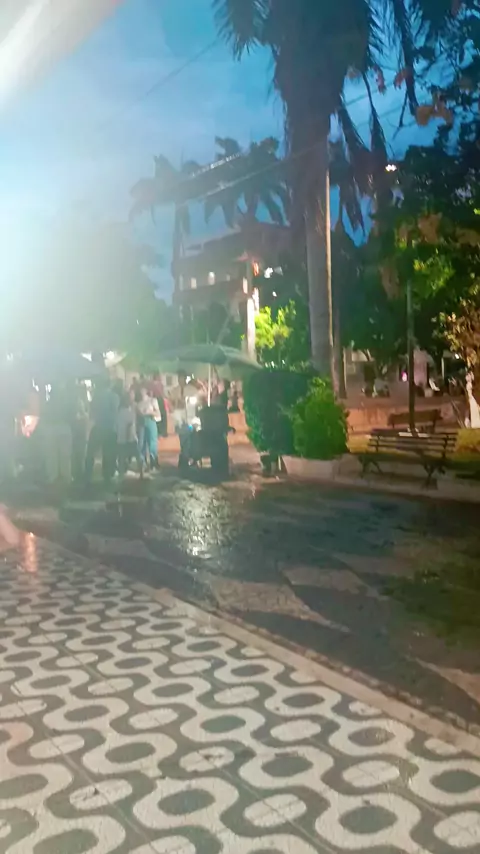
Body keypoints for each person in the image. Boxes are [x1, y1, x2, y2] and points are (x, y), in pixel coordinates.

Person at [85, 379, 120, 484]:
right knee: (108, 453)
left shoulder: (96, 396)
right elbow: (115, 412)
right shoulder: (114, 396)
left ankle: (87, 475)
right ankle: (107, 476)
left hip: (98, 426)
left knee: (91, 452)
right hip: (110, 428)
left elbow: (92, 413)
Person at [117, 391, 143, 478]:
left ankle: (121, 475)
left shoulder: (120, 411)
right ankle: (141, 473)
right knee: (137, 455)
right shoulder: (130, 411)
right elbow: (130, 425)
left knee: (122, 457)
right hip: (129, 438)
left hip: (122, 438)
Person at [137, 387, 160, 470]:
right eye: (140, 390)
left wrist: (150, 412)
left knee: (152, 442)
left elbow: (158, 413)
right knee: (142, 443)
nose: (142, 391)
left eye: (143, 390)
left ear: (146, 390)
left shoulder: (152, 400)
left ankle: (153, 461)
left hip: (151, 420)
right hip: (142, 422)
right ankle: (142, 462)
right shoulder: (139, 403)